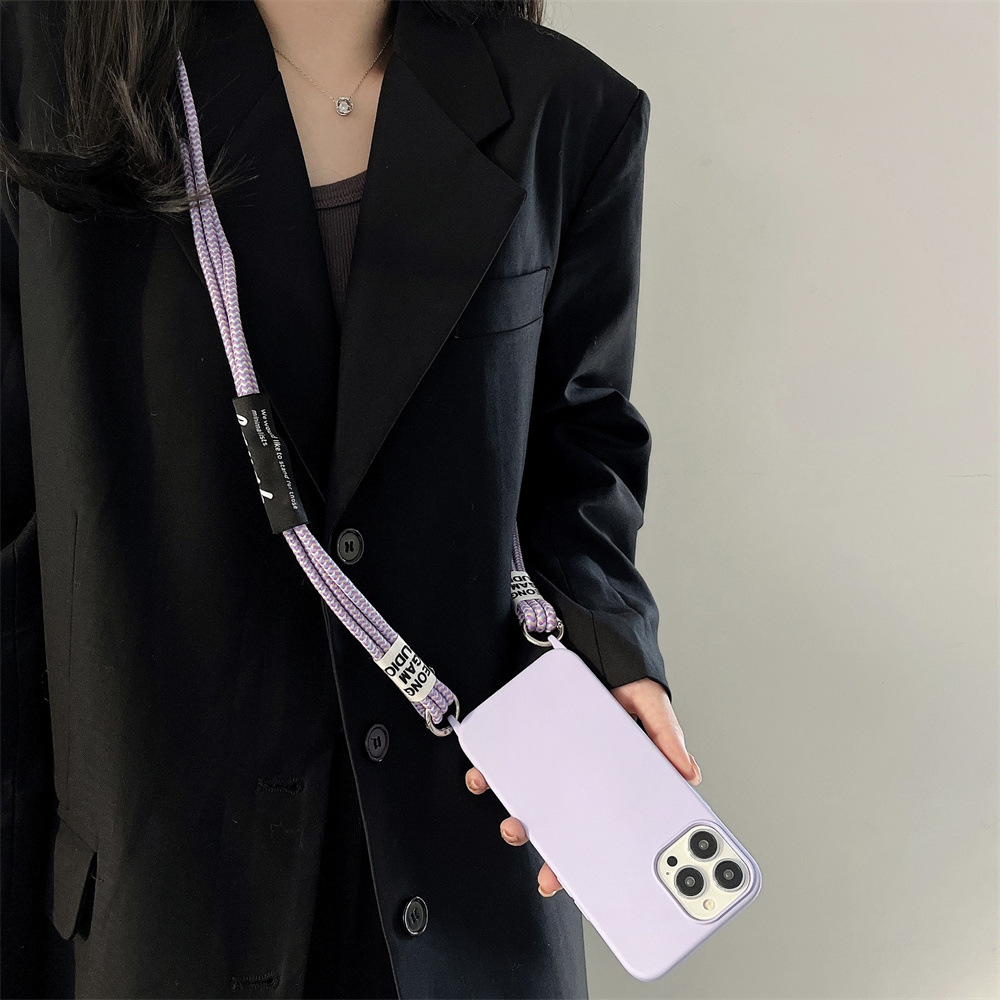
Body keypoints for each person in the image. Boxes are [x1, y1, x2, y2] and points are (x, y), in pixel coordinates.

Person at [0, 1, 702, 997]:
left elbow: (578, 459)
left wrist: (614, 654)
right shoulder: (46, 77)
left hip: (468, 892)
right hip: (163, 906)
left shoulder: (567, 108)